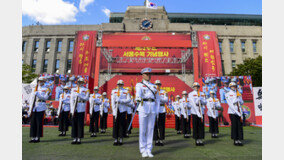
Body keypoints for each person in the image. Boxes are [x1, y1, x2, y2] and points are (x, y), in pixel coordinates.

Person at [135, 68, 160, 158]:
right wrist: (137, 98)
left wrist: (157, 111)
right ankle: (143, 149)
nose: (148, 75)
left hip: (152, 108)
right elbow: (138, 93)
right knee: (143, 130)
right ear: (142, 75)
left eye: (150, 74)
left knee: (150, 130)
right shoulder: (139, 85)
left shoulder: (154, 86)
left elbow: (158, 99)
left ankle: (149, 149)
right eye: (146, 74)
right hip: (143, 107)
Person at [28, 77, 51, 143]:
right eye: (39, 81)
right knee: (33, 123)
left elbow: (45, 97)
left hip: (41, 107)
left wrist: (38, 94)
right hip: (34, 107)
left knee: (39, 123)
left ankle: (37, 137)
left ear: (44, 81)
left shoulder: (47, 89)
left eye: (42, 81)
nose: (40, 82)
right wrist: (30, 108)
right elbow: (31, 99)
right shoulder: (34, 88)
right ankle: (33, 137)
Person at [70, 77, 90, 144]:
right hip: (74, 107)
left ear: (83, 83)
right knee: (74, 123)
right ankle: (74, 137)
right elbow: (71, 99)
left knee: (80, 123)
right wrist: (72, 109)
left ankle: (79, 138)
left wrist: (80, 95)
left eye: (81, 82)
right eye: (79, 82)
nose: (80, 83)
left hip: (81, 106)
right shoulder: (73, 89)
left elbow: (86, 98)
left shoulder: (86, 90)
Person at [111, 80, 131, 146]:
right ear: (117, 84)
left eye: (121, 84)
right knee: (115, 124)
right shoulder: (113, 91)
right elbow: (112, 101)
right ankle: (115, 139)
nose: (120, 85)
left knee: (122, 124)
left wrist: (121, 101)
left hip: (123, 109)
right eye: (118, 84)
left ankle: (121, 139)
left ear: (123, 84)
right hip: (116, 110)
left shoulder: (126, 91)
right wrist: (113, 110)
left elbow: (129, 100)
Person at [225, 82, 244, 146]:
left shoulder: (238, 93)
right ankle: (235, 140)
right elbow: (230, 104)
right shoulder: (228, 94)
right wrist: (236, 99)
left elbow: (242, 102)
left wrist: (240, 99)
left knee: (239, 126)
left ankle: (239, 139)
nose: (234, 87)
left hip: (239, 110)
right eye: (232, 86)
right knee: (235, 126)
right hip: (233, 111)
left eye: (235, 86)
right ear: (230, 87)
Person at [188, 82, 207, 146]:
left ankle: (200, 139)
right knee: (195, 126)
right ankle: (196, 139)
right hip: (195, 112)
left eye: (197, 86)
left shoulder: (202, 93)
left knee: (201, 126)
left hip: (201, 111)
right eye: (195, 86)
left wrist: (201, 100)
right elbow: (192, 103)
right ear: (193, 87)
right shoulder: (191, 94)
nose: (196, 87)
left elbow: (205, 102)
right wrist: (197, 101)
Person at [153, 80, 168, 146]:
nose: (157, 86)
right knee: (155, 125)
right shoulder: (153, 92)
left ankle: (161, 139)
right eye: (156, 84)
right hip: (154, 109)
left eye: (159, 84)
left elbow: (166, 100)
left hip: (162, 109)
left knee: (161, 125)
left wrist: (159, 99)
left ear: (160, 85)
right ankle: (156, 139)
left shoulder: (164, 92)